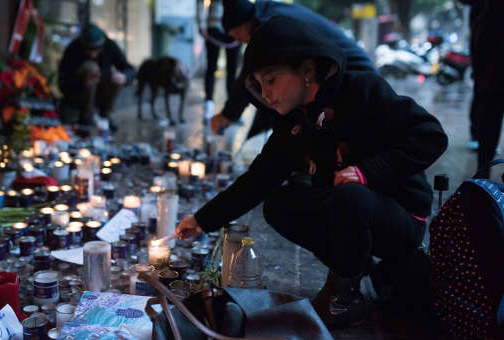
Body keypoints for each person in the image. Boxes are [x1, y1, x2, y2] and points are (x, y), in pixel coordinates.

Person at [176, 16, 448, 328]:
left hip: (400, 216)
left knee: (350, 197)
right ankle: (355, 271)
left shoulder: (361, 89)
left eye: (272, 80)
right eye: (259, 84)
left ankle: (346, 296)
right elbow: (258, 179)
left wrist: (367, 171)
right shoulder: (296, 120)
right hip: (351, 210)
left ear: (306, 71)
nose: (265, 93)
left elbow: (431, 135)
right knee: (279, 204)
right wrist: (202, 220)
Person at [210, 0, 375, 139]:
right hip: (349, 69)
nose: (243, 42)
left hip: (354, 72)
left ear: (244, 22)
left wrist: (228, 115)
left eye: (239, 36)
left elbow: (248, 71)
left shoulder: (269, 25)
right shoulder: (270, 10)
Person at [58, 24, 135, 131]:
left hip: (102, 93)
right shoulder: (73, 49)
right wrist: (83, 80)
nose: (92, 53)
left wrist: (124, 76)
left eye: (95, 49)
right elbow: (63, 80)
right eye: (89, 49)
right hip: (78, 95)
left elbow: (130, 69)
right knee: (91, 68)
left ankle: (105, 116)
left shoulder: (110, 46)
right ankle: (87, 118)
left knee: (116, 78)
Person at [459, 0, 504, 176]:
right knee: (489, 114)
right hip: (491, 65)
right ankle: (482, 172)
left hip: (490, 65)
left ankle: (482, 172)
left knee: (489, 114)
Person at [196, 0, 241, 120]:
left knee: (232, 70)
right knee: (211, 67)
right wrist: (201, 23)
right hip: (214, 26)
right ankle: (209, 105)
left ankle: (233, 109)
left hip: (235, 25)